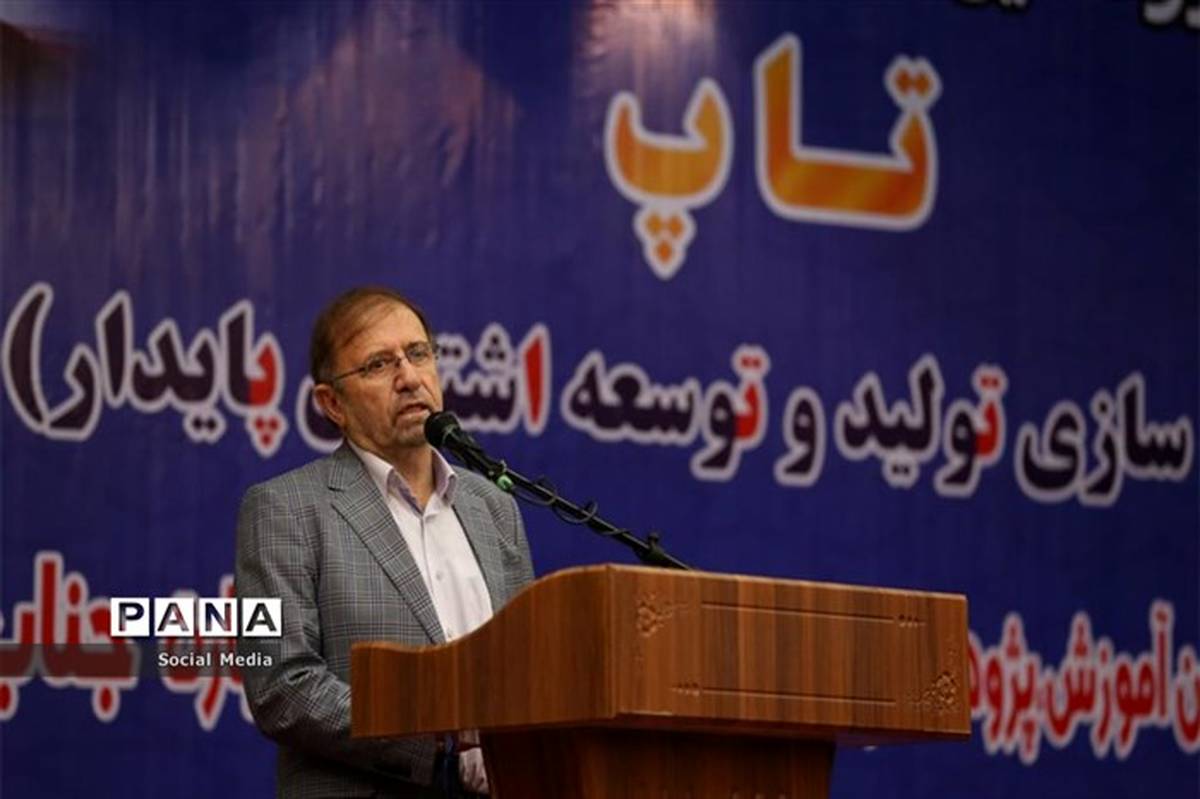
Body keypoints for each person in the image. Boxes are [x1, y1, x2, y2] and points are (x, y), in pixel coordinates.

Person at [236, 286, 535, 798]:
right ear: (333, 404)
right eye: (378, 364)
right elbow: (280, 687)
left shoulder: (494, 508)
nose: (410, 377)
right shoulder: (283, 508)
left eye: (418, 354)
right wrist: (437, 742)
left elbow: (529, 667)